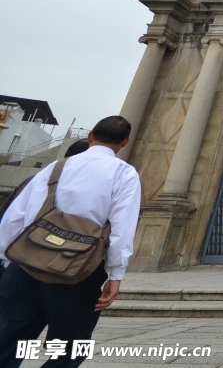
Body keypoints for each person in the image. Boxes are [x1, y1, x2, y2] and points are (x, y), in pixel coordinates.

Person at [0, 116, 142, 368]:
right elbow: (122, 229)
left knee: (6, 341)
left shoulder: (56, 167)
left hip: (25, 268)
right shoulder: (125, 174)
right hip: (78, 272)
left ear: (90, 136)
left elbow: (15, 217)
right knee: (71, 350)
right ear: (125, 141)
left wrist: (6, 260)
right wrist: (116, 274)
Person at [0, 140, 90, 277]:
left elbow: (9, 217)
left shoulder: (38, 179)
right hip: (28, 259)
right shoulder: (45, 181)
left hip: (21, 258)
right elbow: (11, 218)